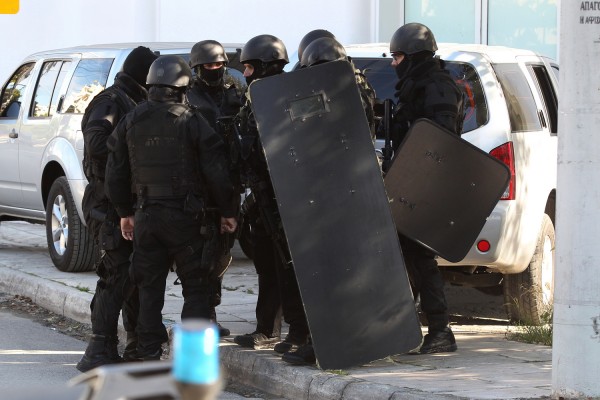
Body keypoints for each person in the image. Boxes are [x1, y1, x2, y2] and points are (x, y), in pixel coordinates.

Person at [105, 55, 238, 361]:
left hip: (146, 215)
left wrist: (125, 213)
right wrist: (228, 211)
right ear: (183, 87)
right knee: (197, 288)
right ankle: (193, 361)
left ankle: (148, 355)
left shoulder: (131, 119)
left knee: (148, 289)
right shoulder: (192, 120)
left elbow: (115, 172)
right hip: (186, 218)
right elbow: (216, 171)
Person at [279, 36, 379, 366]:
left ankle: (323, 342)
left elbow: (308, 133)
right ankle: (353, 340)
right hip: (352, 189)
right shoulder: (358, 85)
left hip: (330, 191)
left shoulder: (327, 92)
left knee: (328, 269)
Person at [76, 46, 158, 372]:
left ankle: (135, 344)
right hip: (107, 205)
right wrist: (131, 140)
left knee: (135, 275)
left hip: (129, 203)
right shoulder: (110, 102)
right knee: (116, 274)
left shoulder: (136, 100)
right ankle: (99, 347)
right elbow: (97, 144)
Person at [387, 22, 464, 354]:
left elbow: (439, 141)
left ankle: (441, 330)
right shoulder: (417, 85)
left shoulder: (436, 87)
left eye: (398, 57)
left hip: (426, 186)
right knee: (409, 256)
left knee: (421, 257)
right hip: (412, 181)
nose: (394, 64)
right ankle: (411, 326)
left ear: (414, 56)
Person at [232, 34, 293, 350]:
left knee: (286, 267)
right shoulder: (254, 98)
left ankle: (297, 332)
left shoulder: (286, 97)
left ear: (267, 66)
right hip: (261, 195)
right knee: (267, 265)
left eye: (250, 67)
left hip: (284, 195)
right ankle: (267, 328)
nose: (245, 74)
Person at [186, 39, 243, 338]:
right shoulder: (187, 96)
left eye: (220, 64)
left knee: (221, 254)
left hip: (229, 181)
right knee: (201, 258)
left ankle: (211, 311)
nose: (216, 69)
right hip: (201, 187)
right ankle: (203, 316)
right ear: (198, 68)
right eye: (209, 65)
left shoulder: (235, 91)